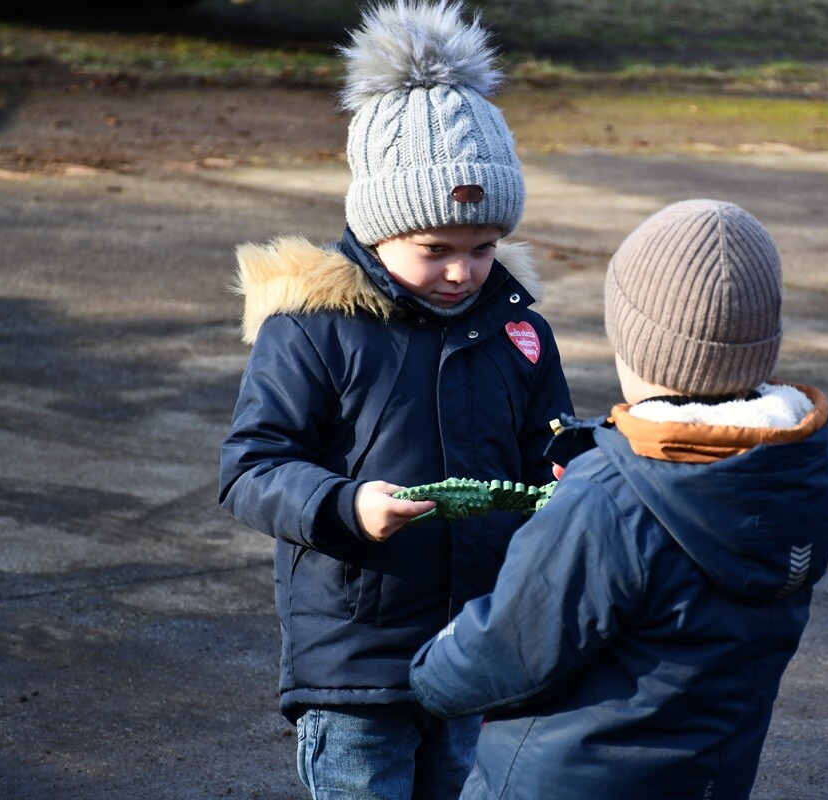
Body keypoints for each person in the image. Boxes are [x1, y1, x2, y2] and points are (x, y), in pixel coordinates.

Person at [217, 2, 573, 798]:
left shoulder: (518, 334)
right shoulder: (315, 329)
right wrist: (345, 506)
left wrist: (565, 483)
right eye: (435, 250)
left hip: (477, 647)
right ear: (377, 231)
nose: (463, 271)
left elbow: (552, 448)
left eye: (483, 249)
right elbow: (250, 467)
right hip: (355, 658)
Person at [409, 198, 828, 799]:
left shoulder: (611, 496)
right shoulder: (793, 471)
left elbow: (512, 647)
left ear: (636, 345)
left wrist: (430, 670)